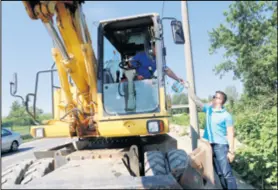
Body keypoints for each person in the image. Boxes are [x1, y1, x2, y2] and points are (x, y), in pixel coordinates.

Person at [183, 81, 237, 190]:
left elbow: (231, 133)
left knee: (226, 173)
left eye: (215, 97)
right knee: (219, 173)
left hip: (221, 146)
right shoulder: (208, 110)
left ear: (220, 100)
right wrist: (188, 88)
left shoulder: (226, 116)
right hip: (209, 146)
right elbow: (196, 100)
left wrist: (231, 151)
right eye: (213, 96)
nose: (213, 98)